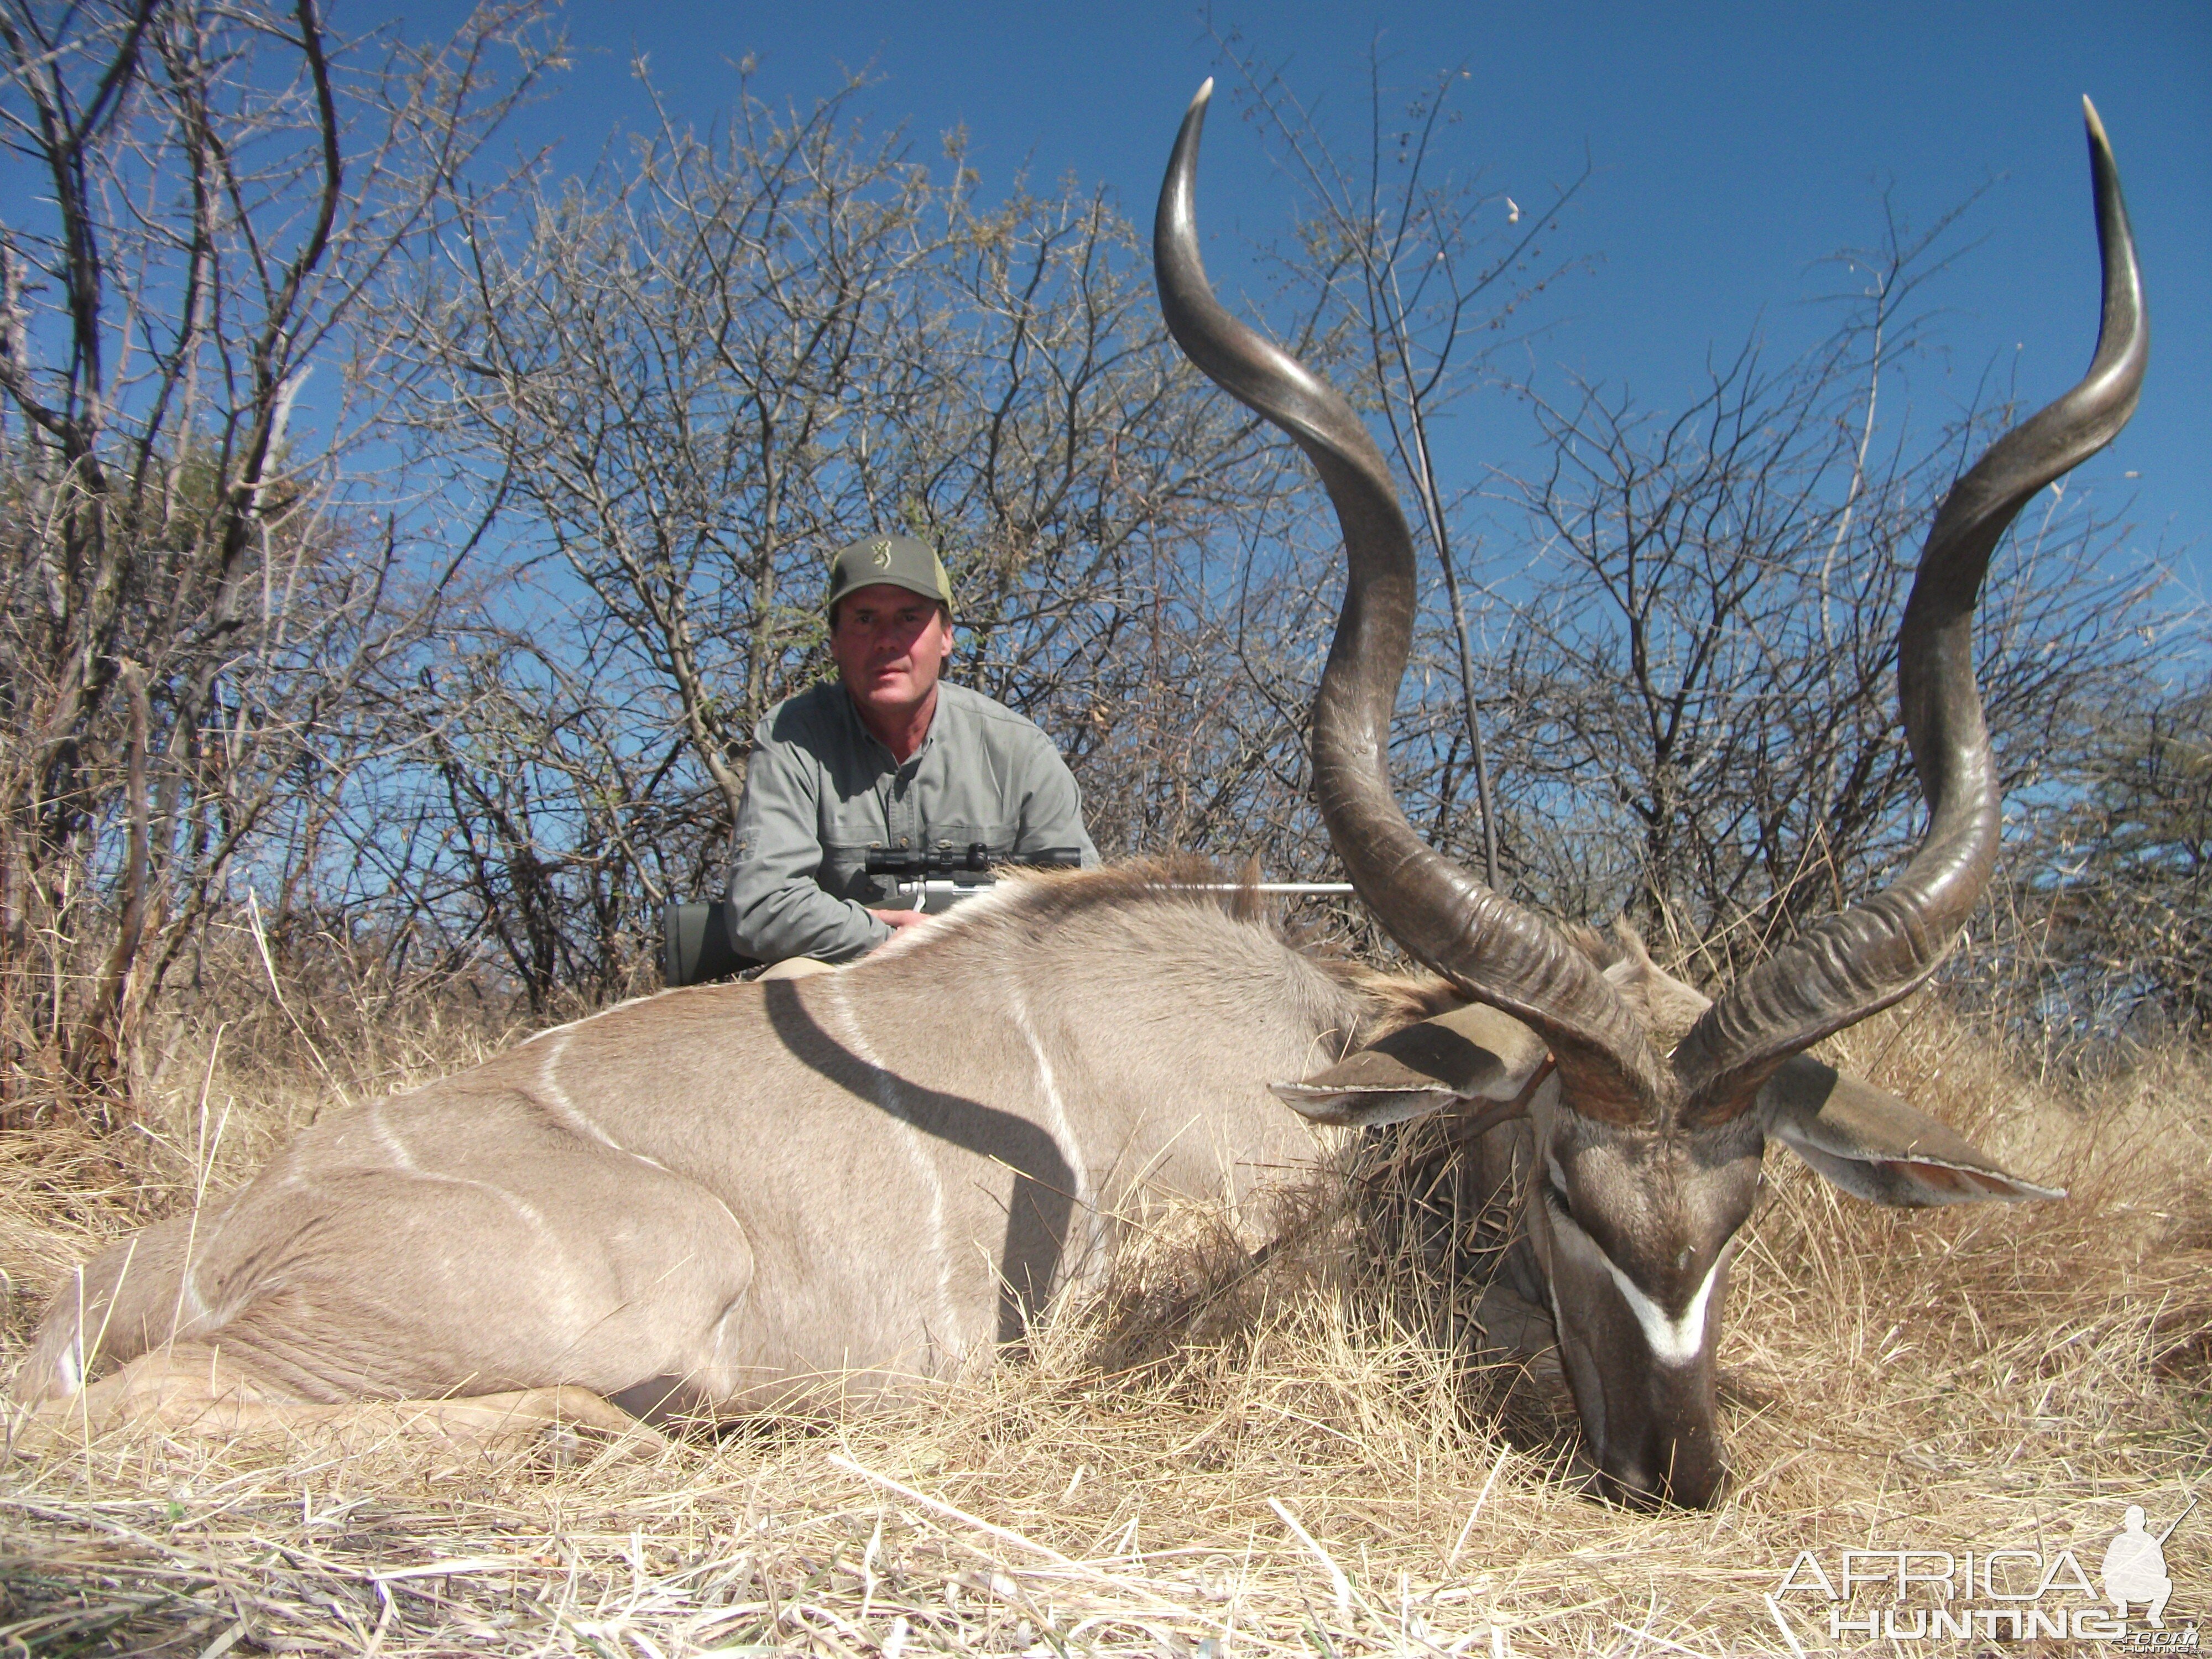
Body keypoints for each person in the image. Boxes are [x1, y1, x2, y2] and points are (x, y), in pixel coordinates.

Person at [724, 533, 1099, 969]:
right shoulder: (791, 737)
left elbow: (1083, 914)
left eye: (908, 618)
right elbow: (763, 906)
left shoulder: (1021, 749)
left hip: (989, 981)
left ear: (945, 637)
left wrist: (964, 947)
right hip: (846, 984)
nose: (886, 640)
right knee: (789, 976)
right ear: (835, 641)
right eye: (864, 619)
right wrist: (891, 941)